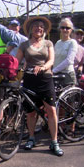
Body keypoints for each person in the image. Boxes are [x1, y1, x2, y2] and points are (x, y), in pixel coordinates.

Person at [16, 16, 63, 156]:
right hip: (29, 79)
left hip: (45, 78)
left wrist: (43, 68)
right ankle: (31, 138)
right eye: (36, 26)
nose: (39, 28)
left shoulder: (48, 43)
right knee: (30, 112)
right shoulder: (24, 45)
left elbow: (51, 60)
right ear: (30, 29)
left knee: (51, 110)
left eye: (41, 26)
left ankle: (54, 141)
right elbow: (17, 61)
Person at [53, 18, 78, 86]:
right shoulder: (58, 43)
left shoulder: (72, 42)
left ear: (71, 30)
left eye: (67, 28)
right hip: (57, 75)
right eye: (62, 27)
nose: (65, 30)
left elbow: (69, 60)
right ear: (60, 29)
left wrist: (54, 71)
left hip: (67, 75)